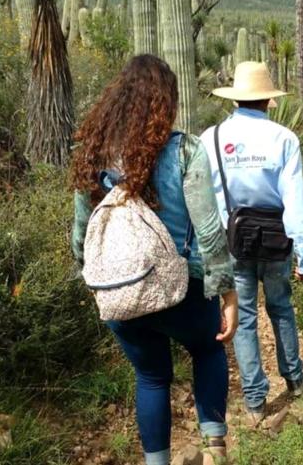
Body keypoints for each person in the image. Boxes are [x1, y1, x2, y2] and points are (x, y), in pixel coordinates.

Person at [70, 55, 238, 465]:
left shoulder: (93, 155)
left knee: (150, 376)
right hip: (185, 288)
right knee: (208, 351)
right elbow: (210, 230)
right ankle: (215, 451)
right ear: (168, 103)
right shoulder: (185, 151)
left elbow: (82, 233)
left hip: (120, 292)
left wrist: (95, 277)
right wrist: (227, 292)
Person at [201, 61, 303, 425]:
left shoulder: (211, 138)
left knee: (244, 315)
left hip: (233, 242)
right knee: (280, 308)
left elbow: (205, 199)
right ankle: (294, 379)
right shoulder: (284, 139)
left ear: (236, 99)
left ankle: (254, 400)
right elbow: (295, 200)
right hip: (277, 240)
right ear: (268, 99)